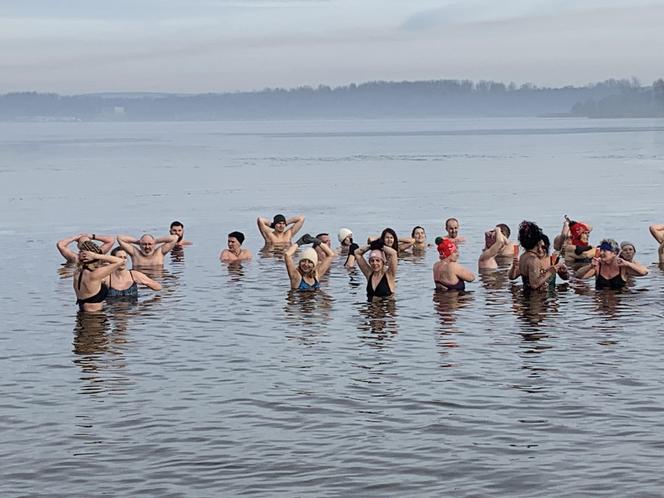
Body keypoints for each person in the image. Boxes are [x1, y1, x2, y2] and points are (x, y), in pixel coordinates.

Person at [73, 241, 125, 311]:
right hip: (94, 318)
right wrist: (95, 256)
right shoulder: (95, 274)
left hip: (82, 314)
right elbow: (120, 261)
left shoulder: (77, 272)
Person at [576, 239, 647, 288]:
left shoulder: (622, 267)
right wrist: (590, 266)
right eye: (601, 250)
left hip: (619, 303)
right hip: (601, 303)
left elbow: (644, 272)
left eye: (605, 251)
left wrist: (628, 264)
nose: (601, 253)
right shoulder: (598, 267)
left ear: (614, 253)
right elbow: (579, 276)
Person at [518, 221, 565, 292]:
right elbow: (534, 284)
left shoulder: (523, 256)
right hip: (536, 299)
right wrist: (553, 269)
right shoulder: (533, 260)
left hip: (525, 296)